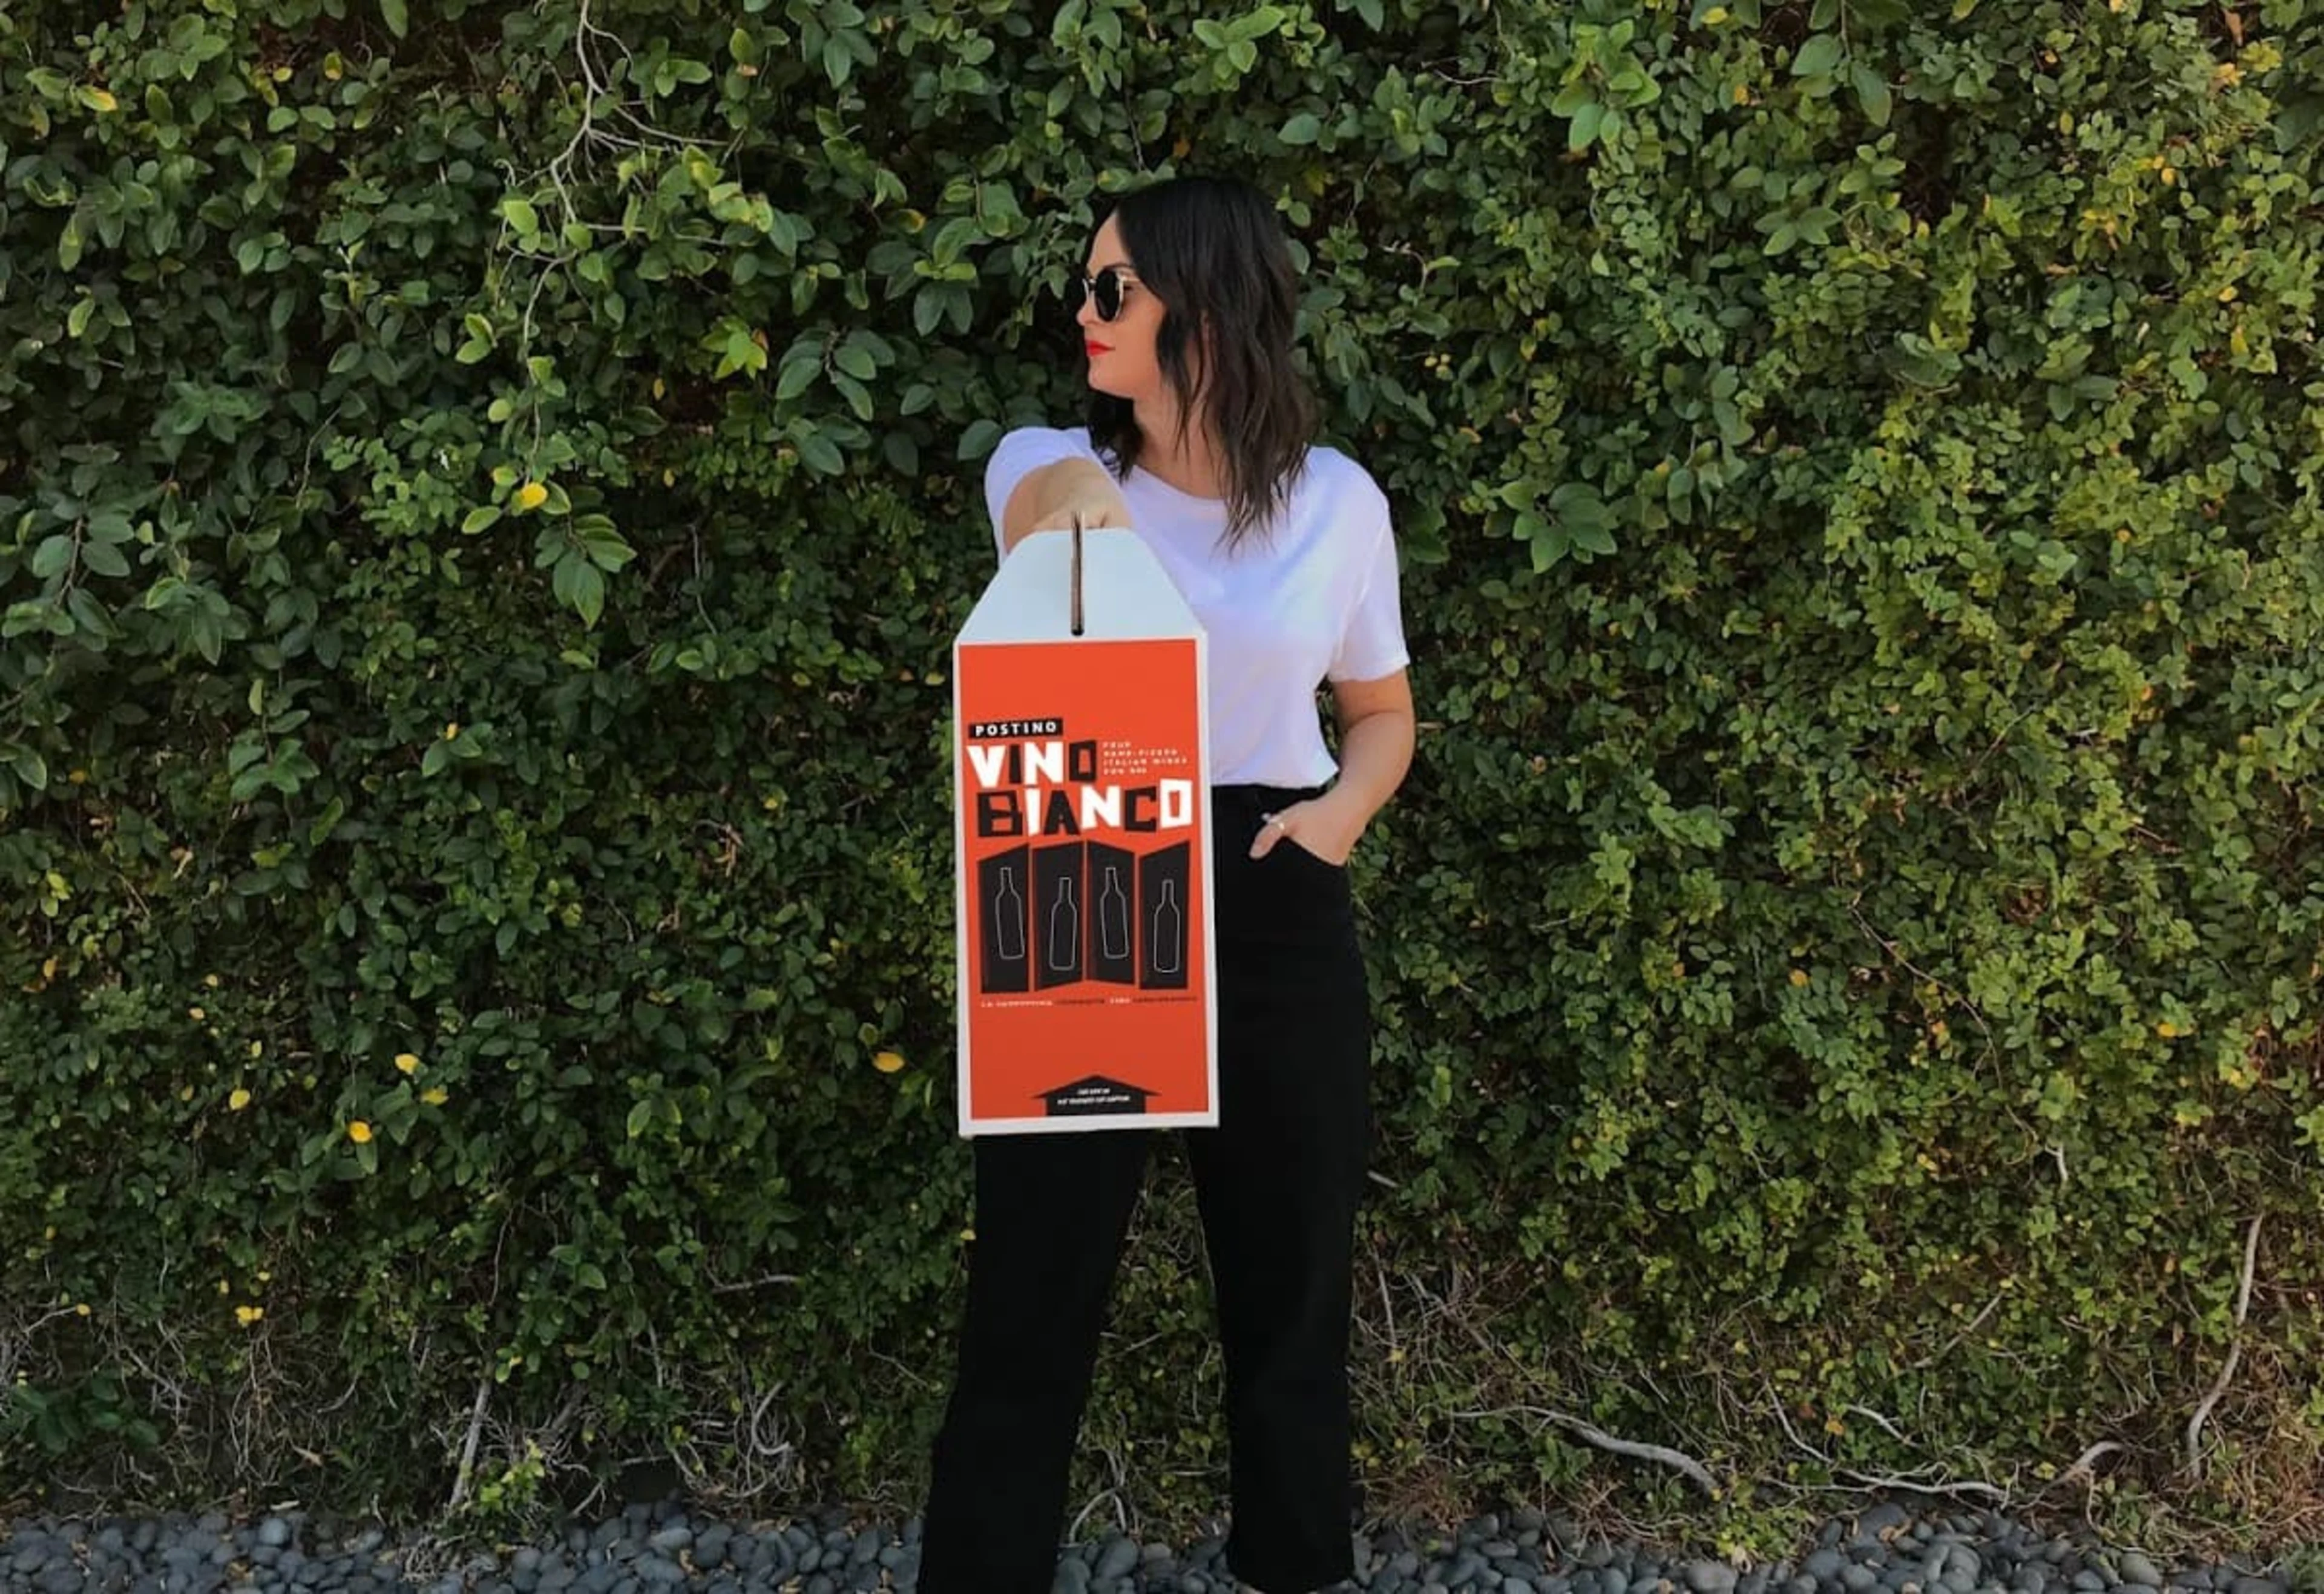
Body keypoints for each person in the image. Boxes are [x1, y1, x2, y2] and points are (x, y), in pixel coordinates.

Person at [919, 174, 1416, 1594]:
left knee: (1290, 1295)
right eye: (1088, 286)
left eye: (1113, 290)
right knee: (1032, 1292)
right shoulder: (1045, 460)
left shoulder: (1336, 505)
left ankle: (1297, 1570)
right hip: (1084, 873)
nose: (1083, 313)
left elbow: (1382, 713)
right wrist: (1106, 501)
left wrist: (1336, 820)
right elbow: (1052, 505)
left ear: (1205, 308)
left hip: (1272, 891)